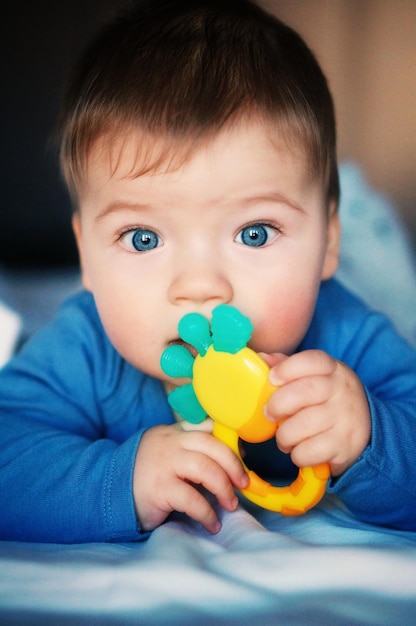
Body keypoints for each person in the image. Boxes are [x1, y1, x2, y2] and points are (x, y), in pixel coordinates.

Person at [1, 0, 415, 543]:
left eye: (254, 233)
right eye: (143, 239)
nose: (200, 286)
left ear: (328, 242)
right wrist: (119, 479)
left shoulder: (344, 336)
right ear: (86, 257)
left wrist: (370, 435)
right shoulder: (85, 347)